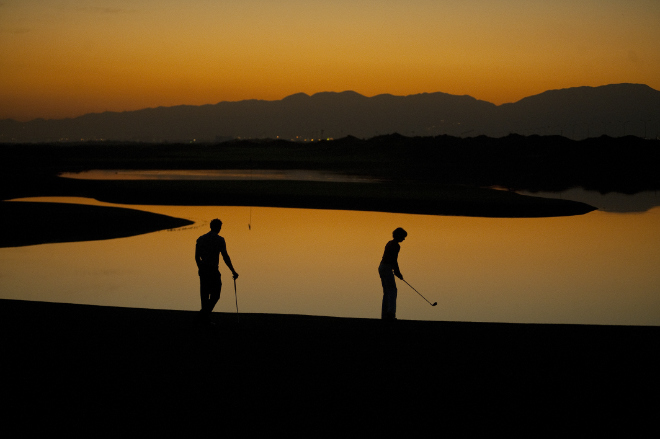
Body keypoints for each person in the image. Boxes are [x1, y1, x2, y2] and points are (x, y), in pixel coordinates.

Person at [195, 219, 239, 324]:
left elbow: (197, 257)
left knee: (205, 295)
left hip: (204, 269)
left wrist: (200, 268)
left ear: (210, 226)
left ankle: (203, 317)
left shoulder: (201, 239)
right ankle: (203, 317)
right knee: (215, 295)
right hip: (213, 270)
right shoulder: (220, 240)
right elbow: (225, 257)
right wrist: (233, 271)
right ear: (218, 228)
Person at [378, 227, 407, 320]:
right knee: (392, 290)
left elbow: (392, 259)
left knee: (387, 292)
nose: (404, 239)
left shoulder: (389, 243)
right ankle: (390, 313)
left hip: (382, 267)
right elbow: (394, 260)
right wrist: (398, 272)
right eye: (403, 236)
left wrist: (396, 271)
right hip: (386, 268)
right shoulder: (396, 245)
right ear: (398, 235)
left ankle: (385, 314)